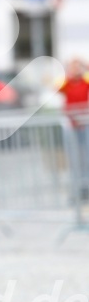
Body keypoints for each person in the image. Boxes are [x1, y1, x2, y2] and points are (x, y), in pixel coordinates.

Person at [59, 57, 89, 198]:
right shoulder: (67, 83)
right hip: (71, 127)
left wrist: (85, 66)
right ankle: (77, 190)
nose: (76, 69)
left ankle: (85, 188)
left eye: (78, 67)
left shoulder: (85, 82)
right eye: (73, 67)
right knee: (74, 159)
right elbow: (56, 87)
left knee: (86, 158)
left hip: (85, 126)